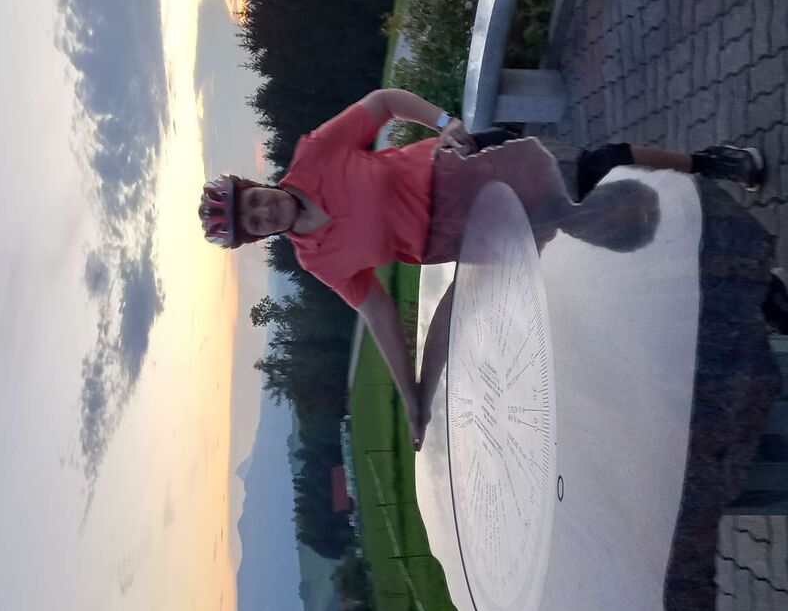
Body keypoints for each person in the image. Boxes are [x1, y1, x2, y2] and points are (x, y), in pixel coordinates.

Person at [199, 88, 767, 447]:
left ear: (256, 185)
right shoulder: (316, 258)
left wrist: (444, 122)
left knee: (600, 166)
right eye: (255, 221)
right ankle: (744, 282)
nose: (265, 211)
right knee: (603, 243)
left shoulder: (315, 156)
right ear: (257, 236)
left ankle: (709, 165)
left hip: (471, 170)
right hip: (474, 237)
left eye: (255, 200)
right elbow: (377, 313)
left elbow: (384, 102)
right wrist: (412, 395)